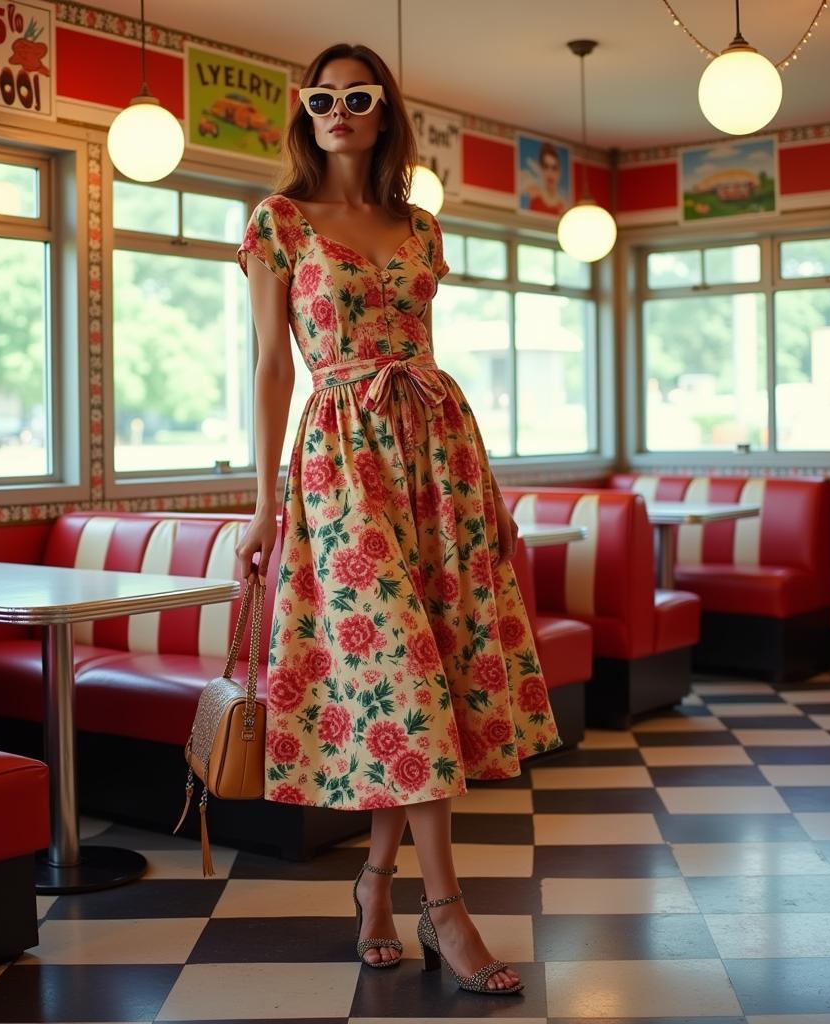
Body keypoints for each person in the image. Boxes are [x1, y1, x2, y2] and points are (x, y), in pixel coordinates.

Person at [234, 41, 561, 997]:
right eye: (322, 95)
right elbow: (271, 366)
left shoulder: (421, 228)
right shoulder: (279, 222)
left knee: (423, 685)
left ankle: (375, 886)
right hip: (340, 464)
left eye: (358, 95)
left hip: (440, 451)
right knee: (402, 678)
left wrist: (488, 498)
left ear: (385, 111)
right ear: (306, 108)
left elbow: (427, 353)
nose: (338, 108)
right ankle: (445, 909)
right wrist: (264, 503)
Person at [524, 141, 567, 216]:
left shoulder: (563, 205)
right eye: (546, 167)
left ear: (560, 172)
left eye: (554, 168)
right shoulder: (534, 195)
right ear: (541, 169)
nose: (550, 173)